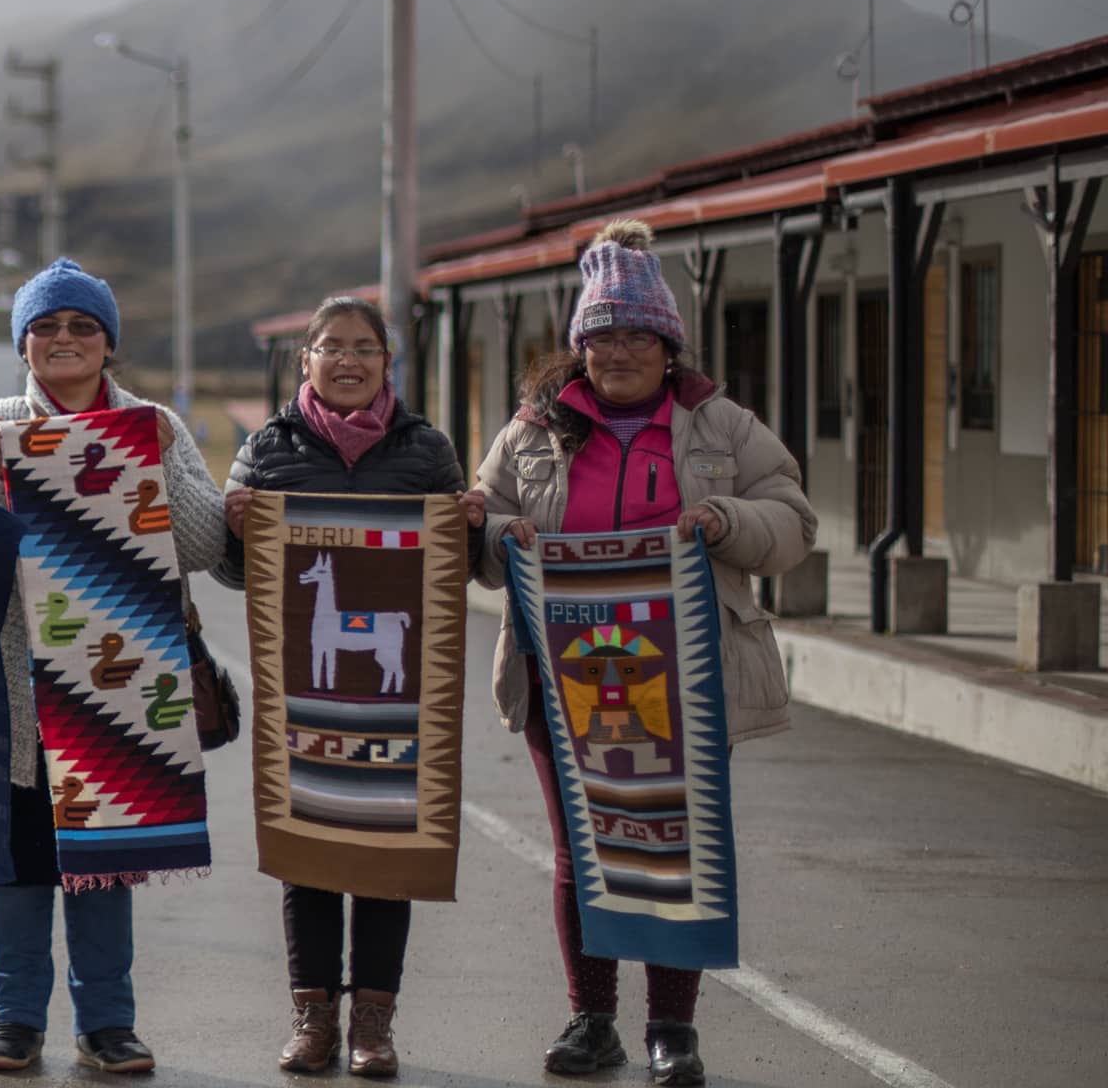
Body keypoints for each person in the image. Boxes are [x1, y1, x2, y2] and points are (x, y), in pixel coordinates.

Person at [466, 219, 814, 1087]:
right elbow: (477, 525)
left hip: (687, 675)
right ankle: (593, 1020)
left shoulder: (721, 426)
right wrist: (504, 534)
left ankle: (672, 1030)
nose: (618, 351)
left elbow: (793, 523)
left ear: (667, 345)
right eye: (602, 335)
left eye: (636, 335)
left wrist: (725, 519)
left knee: (672, 845)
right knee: (582, 847)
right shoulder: (532, 431)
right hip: (563, 675)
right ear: (579, 346)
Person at [0, 257, 224, 1077]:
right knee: (17, 860)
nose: (64, 340)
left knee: (105, 861)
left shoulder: (153, 423)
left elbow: (203, 546)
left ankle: (107, 1023)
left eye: (82, 326)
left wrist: (158, 461)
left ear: (109, 343)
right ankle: (13, 1021)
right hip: (15, 680)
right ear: (23, 342)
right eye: (46, 326)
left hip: (118, 681)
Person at [212, 296, 485, 1078]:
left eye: (364, 347)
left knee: (386, 850)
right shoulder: (267, 448)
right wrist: (236, 530)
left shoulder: (425, 449)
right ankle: (312, 1018)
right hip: (304, 691)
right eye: (331, 347)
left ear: (386, 362)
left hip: (396, 698)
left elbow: (451, 570)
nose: (348, 360)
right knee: (310, 852)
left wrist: (467, 527)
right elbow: (240, 576)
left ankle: (374, 1022)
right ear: (306, 360)